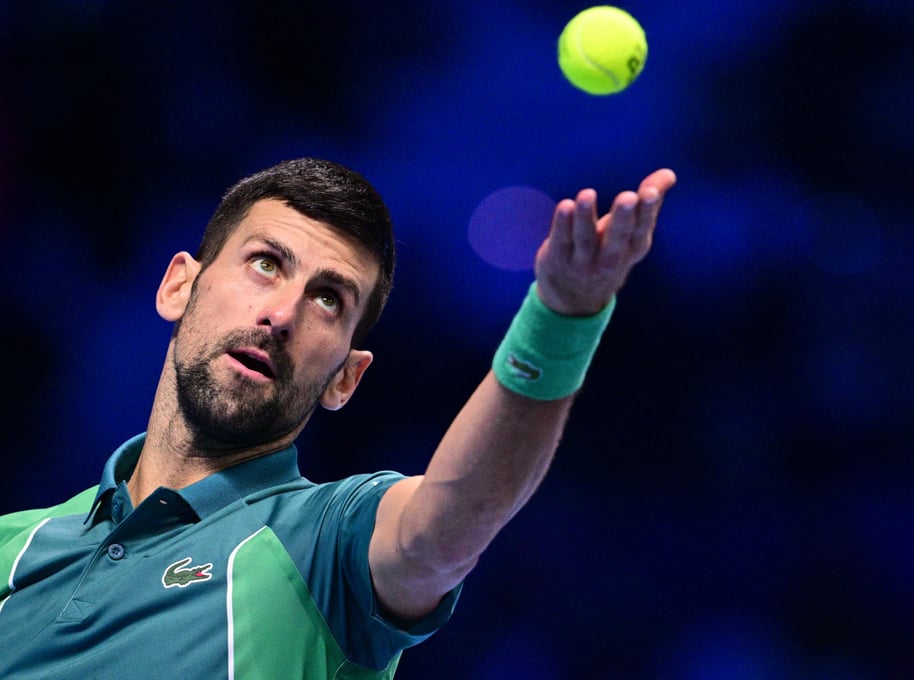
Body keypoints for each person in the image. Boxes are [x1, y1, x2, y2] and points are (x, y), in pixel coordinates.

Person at [0, 158, 676, 678]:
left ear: (346, 379)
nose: (282, 314)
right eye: (265, 264)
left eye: (328, 300)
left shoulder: (326, 542)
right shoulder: (14, 544)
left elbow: (446, 526)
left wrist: (561, 319)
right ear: (180, 285)